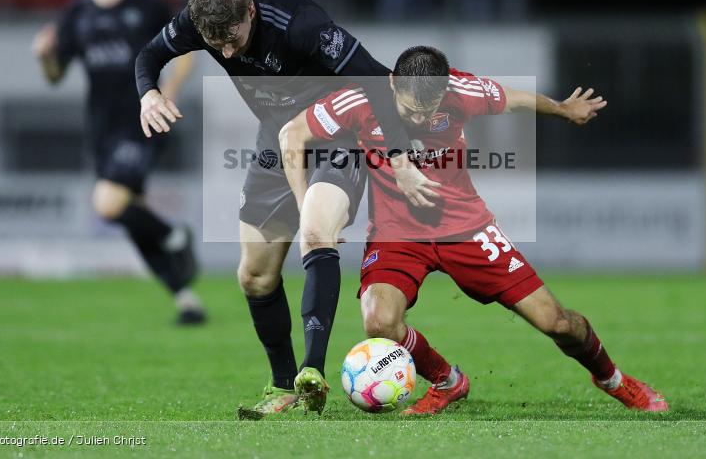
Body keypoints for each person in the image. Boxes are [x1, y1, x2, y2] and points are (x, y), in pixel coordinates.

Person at [280, 45, 668, 415]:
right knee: (379, 321)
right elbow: (292, 134)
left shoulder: (461, 91)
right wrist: (304, 211)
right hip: (397, 235)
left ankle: (612, 379)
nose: (417, 121)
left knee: (557, 322)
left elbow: (514, 98)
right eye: (411, 111)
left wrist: (562, 109)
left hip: (467, 230)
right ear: (394, 83)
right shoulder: (360, 100)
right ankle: (447, 382)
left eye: (427, 112)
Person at [133, 0, 439, 417]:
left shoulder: (301, 24)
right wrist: (147, 95)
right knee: (253, 275)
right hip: (277, 139)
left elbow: (377, 80)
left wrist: (397, 156)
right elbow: (148, 55)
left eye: (232, 38)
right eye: (213, 43)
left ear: (251, 12)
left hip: (335, 132)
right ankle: (284, 384)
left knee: (315, 230)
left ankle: (312, 373)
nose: (226, 52)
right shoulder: (202, 19)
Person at [31, 0, 205, 326]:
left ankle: (173, 236)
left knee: (108, 203)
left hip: (144, 121)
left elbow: (185, 52)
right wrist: (44, 56)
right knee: (133, 213)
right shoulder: (76, 13)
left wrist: (168, 91)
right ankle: (185, 297)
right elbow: (56, 76)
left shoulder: (147, 5)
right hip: (102, 128)